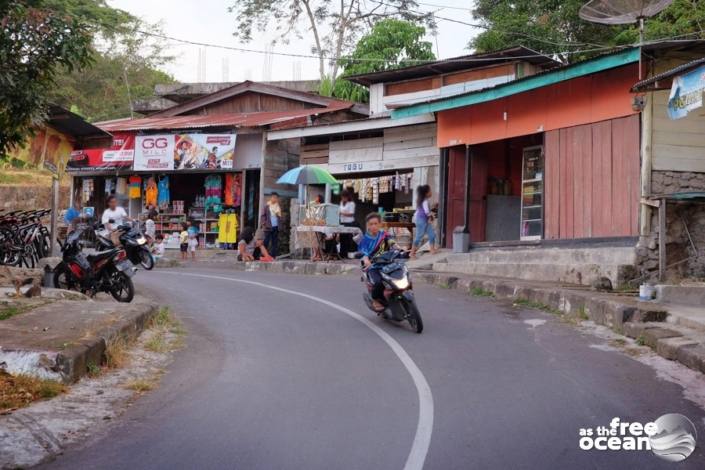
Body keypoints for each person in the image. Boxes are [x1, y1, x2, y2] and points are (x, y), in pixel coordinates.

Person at [359, 212, 396, 312]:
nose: (374, 226)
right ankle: (376, 300)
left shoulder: (385, 235)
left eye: (376, 223)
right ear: (368, 226)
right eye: (371, 224)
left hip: (388, 263)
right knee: (378, 282)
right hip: (374, 266)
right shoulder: (365, 240)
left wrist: (401, 249)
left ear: (380, 224)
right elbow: (364, 254)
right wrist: (366, 260)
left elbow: (392, 243)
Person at [410, 184, 438, 259]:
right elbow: (426, 211)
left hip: (423, 220)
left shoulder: (422, 201)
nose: (431, 192)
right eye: (430, 191)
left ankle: (432, 250)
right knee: (419, 237)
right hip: (421, 220)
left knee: (432, 234)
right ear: (426, 193)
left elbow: (425, 210)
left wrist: (429, 216)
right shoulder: (424, 201)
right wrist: (430, 216)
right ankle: (412, 253)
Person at [338, 189, 357, 258]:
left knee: (348, 239)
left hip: (349, 222)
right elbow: (339, 211)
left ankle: (347, 254)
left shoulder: (351, 203)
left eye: (344, 197)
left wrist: (342, 213)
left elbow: (351, 214)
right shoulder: (341, 203)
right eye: (342, 197)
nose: (343, 198)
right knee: (342, 238)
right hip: (342, 222)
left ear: (347, 197)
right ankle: (342, 253)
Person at [262, 192, 282, 257]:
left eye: (276, 198)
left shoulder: (278, 206)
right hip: (268, 226)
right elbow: (263, 215)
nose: (275, 199)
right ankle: (263, 254)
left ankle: (273, 255)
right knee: (266, 241)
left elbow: (279, 217)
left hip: (275, 226)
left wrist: (280, 225)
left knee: (274, 242)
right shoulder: (267, 206)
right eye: (273, 197)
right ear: (271, 198)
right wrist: (264, 223)